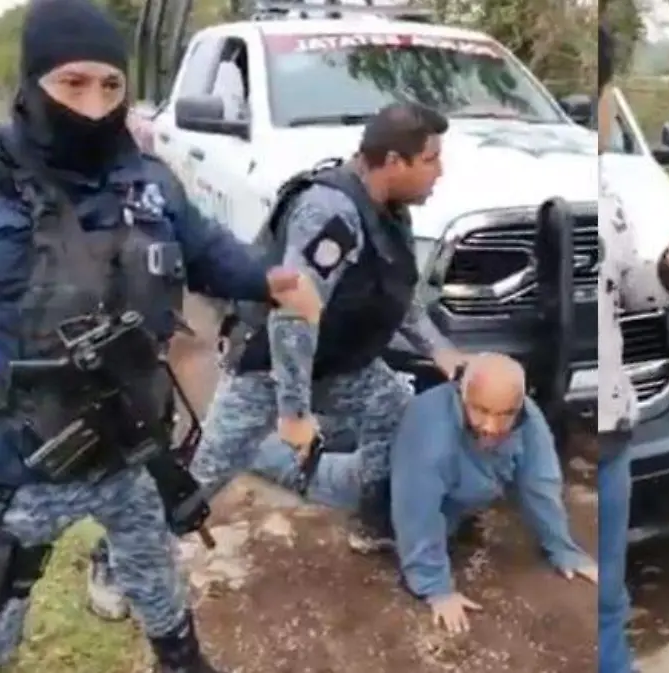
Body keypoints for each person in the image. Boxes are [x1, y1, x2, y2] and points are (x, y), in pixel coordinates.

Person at [0, 0, 321, 670]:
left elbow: (207, 250)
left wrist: (275, 280)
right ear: (32, 86)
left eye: (111, 86)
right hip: (18, 467)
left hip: (127, 446)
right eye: (72, 84)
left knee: (157, 578)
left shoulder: (146, 181)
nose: (94, 106)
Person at [88, 101, 468, 621]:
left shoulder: (391, 209)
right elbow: (292, 316)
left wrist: (439, 350)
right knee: (207, 472)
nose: (440, 171)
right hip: (272, 365)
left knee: (397, 416)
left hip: (342, 360)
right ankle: (112, 560)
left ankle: (375, 519)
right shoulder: (329, 212)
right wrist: (293, 411)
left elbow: (397, 291)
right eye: (432, 159)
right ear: (395, 162)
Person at [597, 19, 669, 673]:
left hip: (613, 417)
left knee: (607, 585)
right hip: (555, 416)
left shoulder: (611, 190)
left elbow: (627, 288)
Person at [385, 353, 595, 633]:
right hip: (391, 483)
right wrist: (436, 589)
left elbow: (540, 484)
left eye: (505, 414)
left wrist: (563, 549)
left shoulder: (527, 417)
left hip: (458, 493)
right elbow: (416, 512)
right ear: (462, 394)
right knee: (346, 489)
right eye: (481, 410)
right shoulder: (431, 431)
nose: (492, 426)